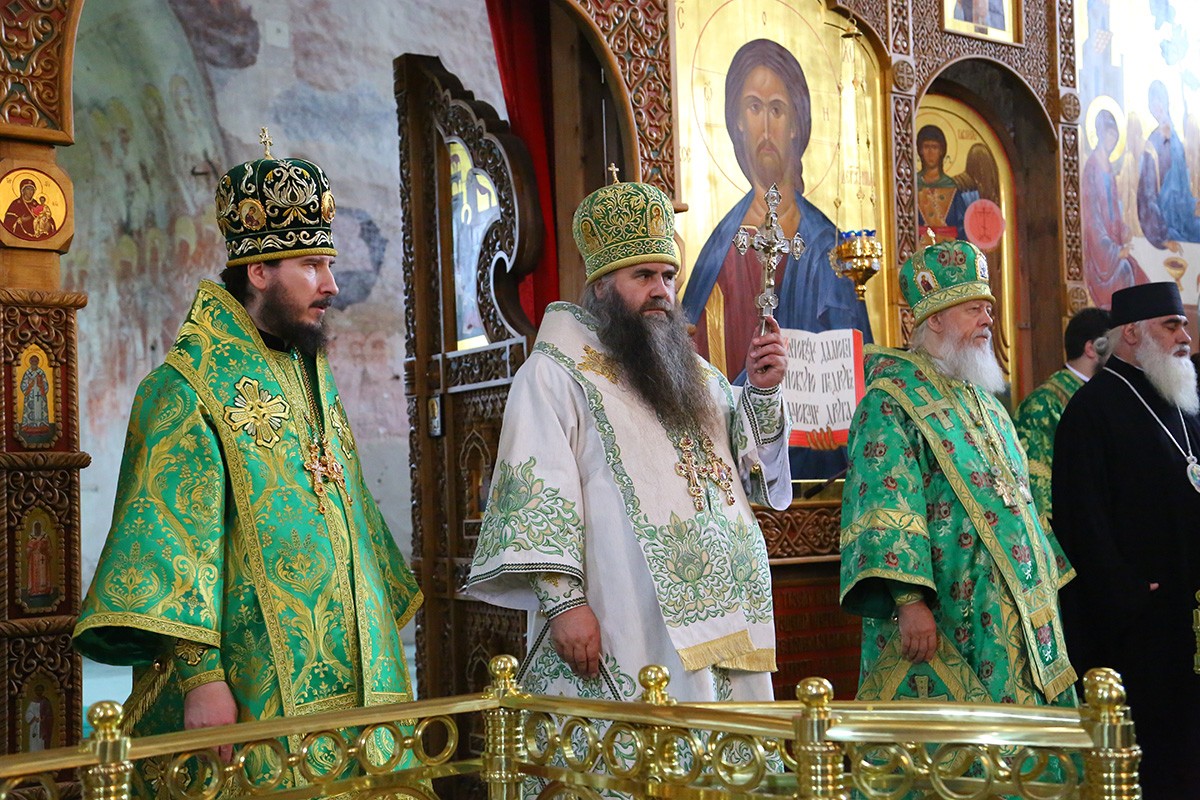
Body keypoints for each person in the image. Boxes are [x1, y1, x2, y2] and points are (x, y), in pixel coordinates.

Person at [73, 135, 421, 793]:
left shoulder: (306, 368)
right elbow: (172, 542)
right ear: (259, 272)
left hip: (356, 674)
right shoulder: (185, 389)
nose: (332, 284)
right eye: (312, 265)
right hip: (252, 681)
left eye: (329, 264)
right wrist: (202, 680)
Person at [468, 178, 789, 718]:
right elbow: (537, 499)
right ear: (601, 287)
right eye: (643, 276)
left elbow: (753, 471)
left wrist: (762, 391)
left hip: (724, 621)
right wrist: (565, 605)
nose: (661, 290)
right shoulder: (555, 374)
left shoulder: (698, 377)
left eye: (667, 276)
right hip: (626, 616)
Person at [840, 240, 1076, 710]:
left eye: (988, 309)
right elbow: (885, 501)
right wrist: (909, 602)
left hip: (1020, 607)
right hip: (950, 612)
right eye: (973, 309)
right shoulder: (890, 401)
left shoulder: (987, 402)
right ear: (935, 320)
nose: (988, 319)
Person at [682, 38, 870, 478]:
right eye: (753, 107)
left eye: (777, 109)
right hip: (729, 464)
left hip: (816, 463)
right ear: (737, 122)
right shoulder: (720, 245)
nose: (765, 127)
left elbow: (853, 356)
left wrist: (837, 425)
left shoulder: (825, 243)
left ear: (796, 125)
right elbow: (691, 361)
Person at [1052, 281, 1200, 797]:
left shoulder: (1183, 401)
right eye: (1171, 325)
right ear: (1132, 334)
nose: (1185, 337)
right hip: (1138, 624)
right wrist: (1129, 590)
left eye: (1184, 325)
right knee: (1153, 756)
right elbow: (1080, 520)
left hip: (1188, 609)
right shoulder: (1091, 410)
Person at [1013, 306, 1111, 526]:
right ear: (1092, 349)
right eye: (1115, 347)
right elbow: (1039, 487)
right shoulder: (1042, 404)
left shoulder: (1107, 398)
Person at [1084, 109, 1147, 307]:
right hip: (1100, 252)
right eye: (1108, 134)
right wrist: (1113, 251)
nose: (1111, 140)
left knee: (1138, 275)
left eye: (1114, 135)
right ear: (1099, 133)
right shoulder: (1091, 167)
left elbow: (1114, 209)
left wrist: (1123, 228)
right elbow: (1092, 217)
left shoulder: (1109, 169)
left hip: (1113, 240)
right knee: (1126, 270)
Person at [1137, 80, 1200, 250]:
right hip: (1165, 226)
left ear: (1166, 102)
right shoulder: (1152, 145)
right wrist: (1162, 237)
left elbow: (1183, 188)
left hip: (1184, 219)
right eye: (1153, 102)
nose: (1157, 106)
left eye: (1160, 99)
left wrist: (1193, 204)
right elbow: (1147, 196)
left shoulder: (1176, 141)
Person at [916, 124, 977, 243]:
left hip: (948, 249)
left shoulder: (952, 187)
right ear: (920, 151)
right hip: (919, 249)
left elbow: (962, 226)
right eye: (926, 147)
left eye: (935, 147)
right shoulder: (913, 185)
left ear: (941, 151)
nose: (930, 152)